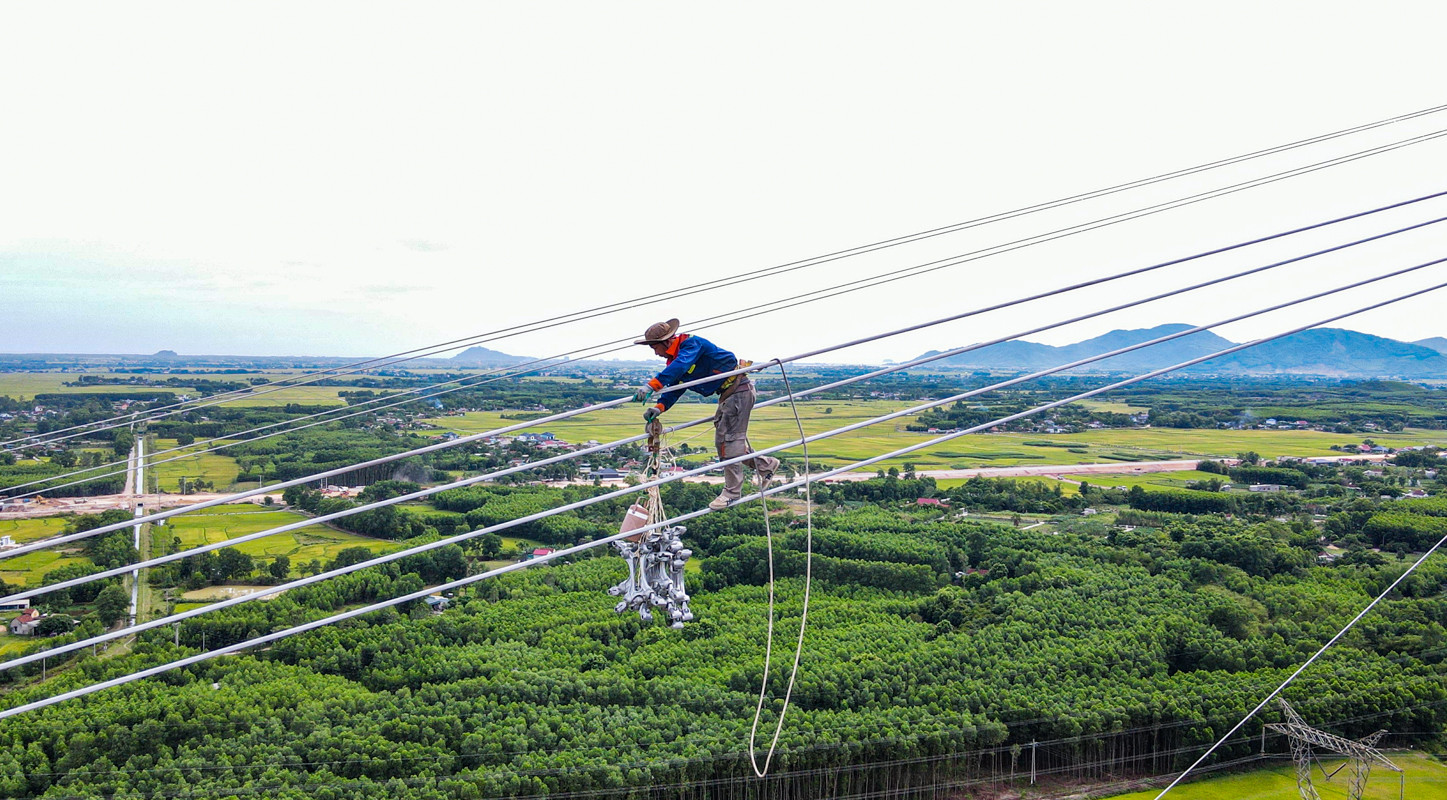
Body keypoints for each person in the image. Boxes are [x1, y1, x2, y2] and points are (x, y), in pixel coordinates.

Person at [633, 318, 780, 510]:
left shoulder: (690, 345)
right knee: (726, 442)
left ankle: (732, 493)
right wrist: (659, 407)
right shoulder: (676, 358)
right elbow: (677, 386)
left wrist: (652, 385)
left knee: (729, 441)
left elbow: (680, 366)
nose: (655, 352)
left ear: (666, 342)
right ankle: (765, 466)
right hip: (731, 394)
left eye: (654, 347)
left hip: (738, 392)